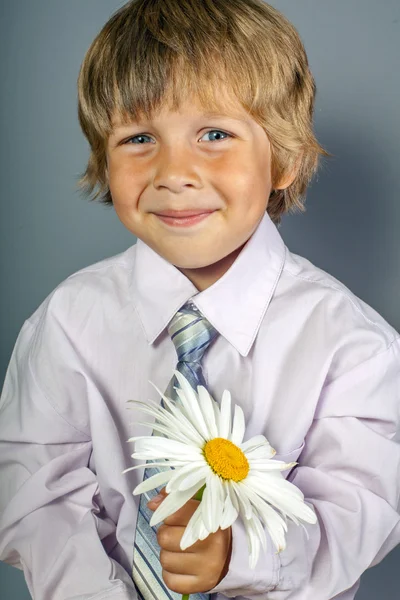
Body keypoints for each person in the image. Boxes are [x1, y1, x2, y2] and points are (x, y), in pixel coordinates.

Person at [0, 0, 399, 598]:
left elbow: (360, 508)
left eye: (214, 134)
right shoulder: (67, 323)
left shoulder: (354, 344)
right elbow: (35, 498)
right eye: (138, 137)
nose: (173, 170)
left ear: (284, 158)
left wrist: (239, 553)